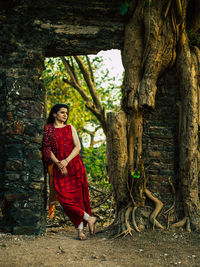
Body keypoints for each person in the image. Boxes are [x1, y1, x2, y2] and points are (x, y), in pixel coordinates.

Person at [42, 103, 96, 240]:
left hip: (75, 166)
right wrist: (59, 164)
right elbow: (47, 149)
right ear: (54, 114)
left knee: (78, 199)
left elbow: (77, 147)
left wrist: (66, 161)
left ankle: (80, 231)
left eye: (66, 113)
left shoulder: (70, 127)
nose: (65, 115)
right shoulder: (48, 129)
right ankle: (89, 218)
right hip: (59, 168)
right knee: (65, 200)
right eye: (62, 112)